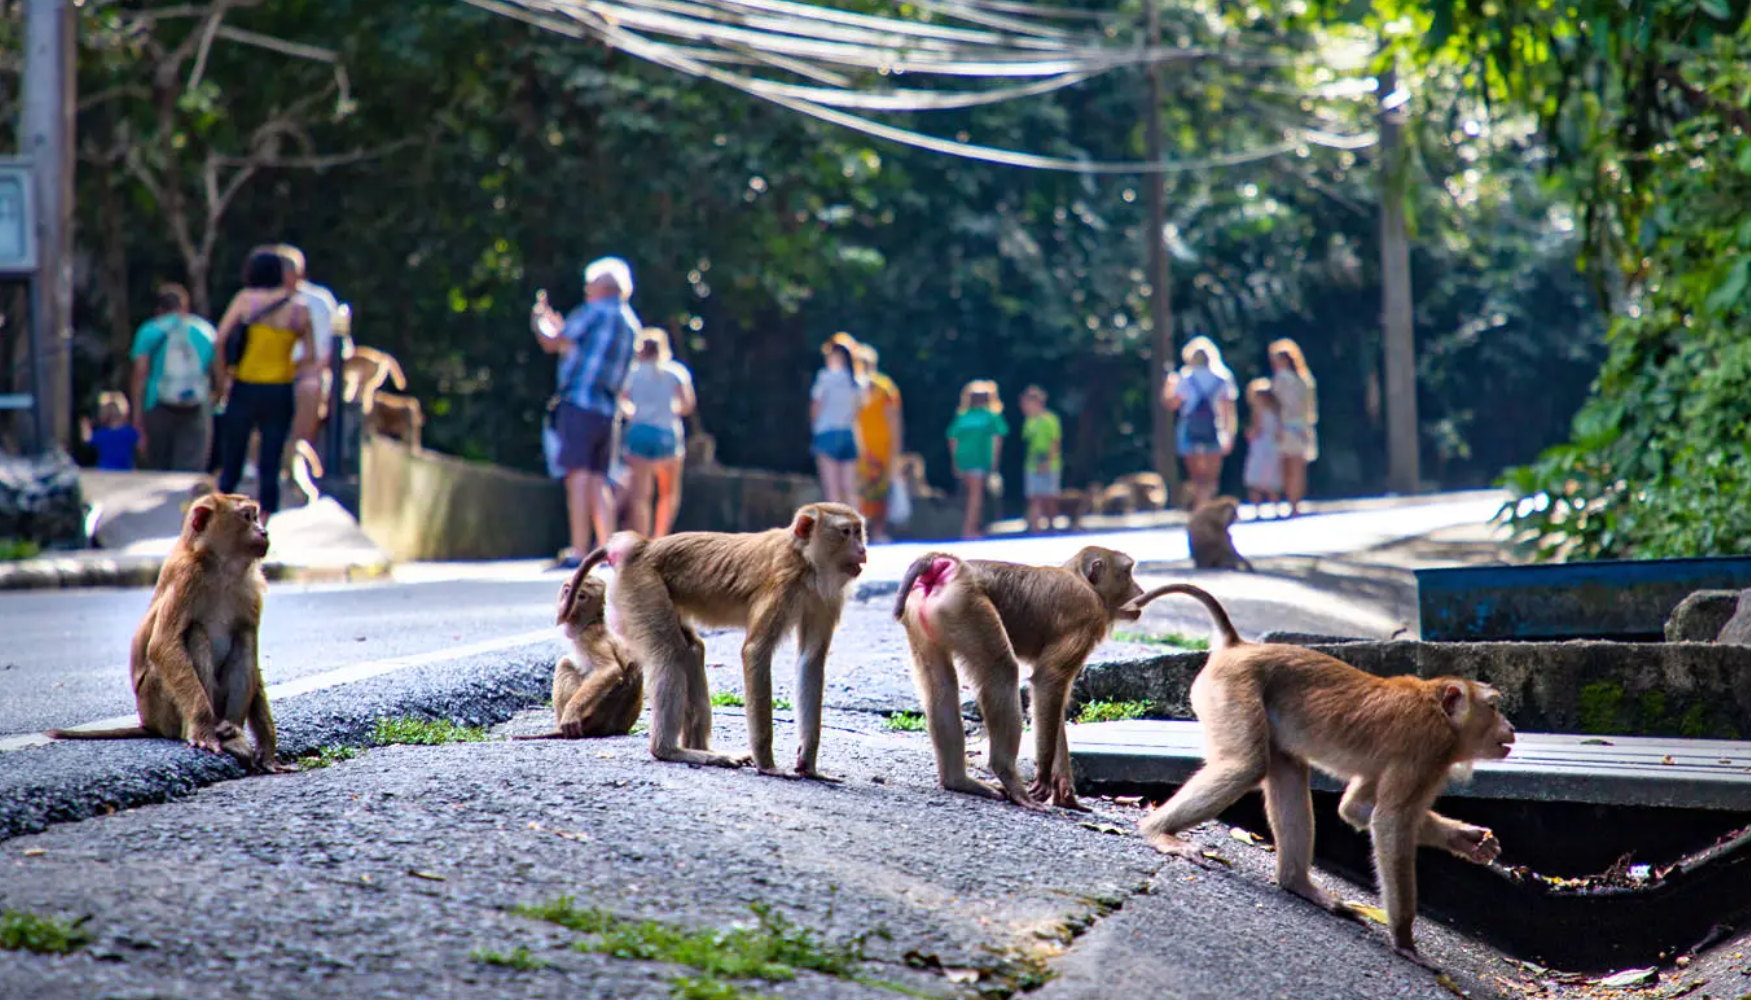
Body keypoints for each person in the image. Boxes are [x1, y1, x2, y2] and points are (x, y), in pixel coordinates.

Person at [532, 257, 640, 569]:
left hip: (579, 403)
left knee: (577, 476)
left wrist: (540, 320)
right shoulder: (630, 322)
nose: (586, 291)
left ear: (601, 287)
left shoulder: (593, 312)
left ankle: (579, 550)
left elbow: (554, 342)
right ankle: (607, 549)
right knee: (598, 479)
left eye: (588, 286)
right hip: (609, 411)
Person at [214, 250, 314, 519]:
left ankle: (221, 516)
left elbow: (220, 339)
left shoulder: (246, 300)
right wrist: (289, 369)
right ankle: (265, 521)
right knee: (270, 460)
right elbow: (310, 356)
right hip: (279, 391)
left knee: (233, 456)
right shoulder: (299, 309)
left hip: (245, 386)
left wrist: (223, 378)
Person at [128, 283, 217, 472]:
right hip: (196, 403)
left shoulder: (149, 331)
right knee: (189, 468)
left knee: (157, 466)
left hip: (157, 404)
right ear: (185, 306)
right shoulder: (205, 331)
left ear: (159, 310)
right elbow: (216, 368)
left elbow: (140, 375)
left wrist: (137, 417)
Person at [620, 327, 695, 539]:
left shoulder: (631, 372)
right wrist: (669, 410)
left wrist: (634, 412)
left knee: (640, 496)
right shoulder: (676, 372)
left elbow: (622, 401)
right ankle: (660, 538)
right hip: (667, 433)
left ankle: (643, 541)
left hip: (639, 432)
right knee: (668, 494)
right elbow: (687, 404)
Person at [279, 245, 342, 463]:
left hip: (309, 371)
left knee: (310, 387)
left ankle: (297, 459)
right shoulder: (260, 300)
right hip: (271, 370)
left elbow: (328, 347)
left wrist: (309, 367)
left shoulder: (319, 300)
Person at [1163, 335, 1239, 510]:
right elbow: (1228, 409)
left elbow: (1171, 403)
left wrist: (1169, 384)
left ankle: (1200, 506)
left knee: (1196, 475)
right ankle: (1208, 505)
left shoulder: (1185, 377)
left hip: (1189, 427)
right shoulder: (1223, 377)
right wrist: (1230, 434)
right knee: (1212, 476)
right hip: (1215, 427)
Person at [852, 343, 903, 543]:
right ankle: (862, 533)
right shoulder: (853, 387)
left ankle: (878, 531)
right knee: (860, 491)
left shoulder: (885, 388)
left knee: (880, 490)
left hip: (881, 446)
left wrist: (895, 449)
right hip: (860, 446)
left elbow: (894, 420)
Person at [946, 379, 1008, 540]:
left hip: (963, 459)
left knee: (969, 495)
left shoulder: (962, 417)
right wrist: (994, 463)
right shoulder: (991, 417)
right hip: (980, 459)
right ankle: (969, 530)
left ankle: (971, 527)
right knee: (976, 496)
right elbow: (996, 440)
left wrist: (955, 462)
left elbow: (953, 439)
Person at [810, 333, 864, 505]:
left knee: (832, 490)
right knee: (849, 488)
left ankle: (835, 531)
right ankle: (856, 528)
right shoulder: (857, 382)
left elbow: (816, 406)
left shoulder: (824, 377)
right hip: (848, 434)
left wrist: (814, 430)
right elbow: (858, 410)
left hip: (826, 433)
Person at [1270, 337, 1319, 517]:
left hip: (1285, 426)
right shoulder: (1304, 379)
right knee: (1298, 468)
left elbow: (1280, 405)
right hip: (1302, 426)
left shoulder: (1282, 379)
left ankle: (1290, 502)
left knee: (1287, 467)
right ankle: (1295, 504)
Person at [1019, 385, 1062, 533]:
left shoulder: (1050, 420)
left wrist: (1047, 462)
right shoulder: (1029, 421)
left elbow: (1054, 442)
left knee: (1049, 496)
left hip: (1050, 464)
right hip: (1032, 465)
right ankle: (1035, 527)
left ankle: (1051, 524)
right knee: (1034, 496)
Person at [1242, 377, 1284, 510]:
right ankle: (1276, 507)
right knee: (1273, 478)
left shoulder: (1258, 411)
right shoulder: (1276, 412)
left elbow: (1257, 429)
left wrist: (1249, 434)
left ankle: (1257, 508)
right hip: (1273, 446)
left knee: (1256, 479)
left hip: (1260, 446)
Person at [83, 392, 141, 471]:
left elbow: (87, 440)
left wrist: (85, 426)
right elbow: (140, 446)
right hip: (124, 471)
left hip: (107, 471)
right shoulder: (129, 432)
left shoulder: (102, 433)